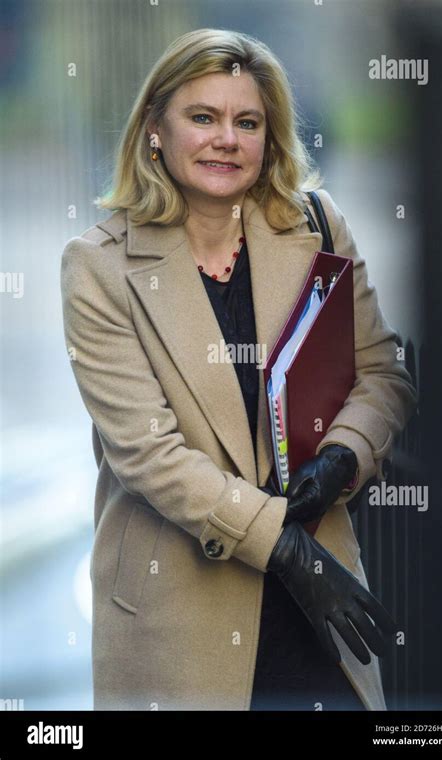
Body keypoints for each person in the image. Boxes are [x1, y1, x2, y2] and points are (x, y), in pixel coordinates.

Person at [60, 28, 417, 711]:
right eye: (203, 117)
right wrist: (285, 551)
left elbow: (384, 372)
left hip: (323, 609)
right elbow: (147, 454)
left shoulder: (318, 224)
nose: (227, 138)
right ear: (155, 130)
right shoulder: (97, 266)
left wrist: (344, 458)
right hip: (181, 611)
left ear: (268, 137)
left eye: (246, 122)